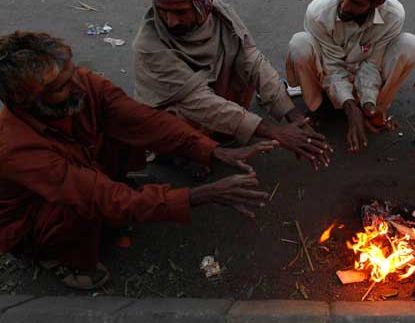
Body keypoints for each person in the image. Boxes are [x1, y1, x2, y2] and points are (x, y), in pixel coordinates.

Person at [0, 31, 278, 290]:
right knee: (83, 204)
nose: (77, 85)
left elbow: (144, 121)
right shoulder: (16, 147)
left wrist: (213, 150)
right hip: (41, 216)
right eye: (62, 86)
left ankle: (124, 198)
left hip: (88, 179)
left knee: (127, 130)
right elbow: (99, 197)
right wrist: (199, 195)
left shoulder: (84, 86)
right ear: (28, 100)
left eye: (72, 73)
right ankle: (58, 258)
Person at [133, 0, 331, 171]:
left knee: (243, 66)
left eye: (180, 12)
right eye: (163, 11)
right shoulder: (149, 46)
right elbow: (197, 101)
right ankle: (188, 154)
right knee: (176, 119)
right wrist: (272, 130)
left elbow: (253, 62)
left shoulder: (221, 15)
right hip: (180, 107)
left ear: (202, 6)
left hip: (213, 95)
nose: (170, 21)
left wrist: (292, 115)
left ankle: (222, 132)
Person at [286, 0, 415, 153]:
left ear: (377, 3)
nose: (344, 6)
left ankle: (375, 110)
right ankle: (319, 107)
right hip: (327, 70)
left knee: (409, 45)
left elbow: (372, 64)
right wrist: (350, 107)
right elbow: (331, 66)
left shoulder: (394, 15)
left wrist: (367, 103)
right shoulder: (318, 11)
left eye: (356, 3)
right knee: (300, 44)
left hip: (362, 70)